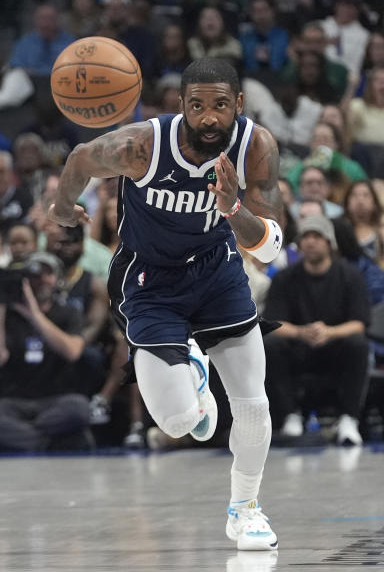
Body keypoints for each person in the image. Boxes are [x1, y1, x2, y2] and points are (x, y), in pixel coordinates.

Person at [49, 58, 285, 551]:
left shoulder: (254, 146)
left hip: (218, 273)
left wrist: (232, 209)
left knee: (252, 402)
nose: (209, 118)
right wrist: (61, 206)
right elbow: (80, 158)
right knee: (181, 425)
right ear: (181, 107)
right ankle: (194, 372)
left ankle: (245, 509)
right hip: (149, 281)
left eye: (221, 105)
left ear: (238, 105)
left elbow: (269, 248)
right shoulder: (141, 147)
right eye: (197, 106)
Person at [0, 252, 91, 451]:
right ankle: (48, 442)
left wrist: (34, 315)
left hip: (55, 401)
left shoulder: (68, 312)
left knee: (80, 408)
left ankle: (15, 439)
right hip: (13, 403)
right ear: (25, 281)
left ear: (57, 279)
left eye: (48, 275)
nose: (42, 281)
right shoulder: (7, 316)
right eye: (35, 275)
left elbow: (72, 352)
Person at [263, 215, 371, 445]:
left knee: (358, 344)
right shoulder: (284, 279)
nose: (310, 242)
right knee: (270, 344)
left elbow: (360, 322)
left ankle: (349, 419)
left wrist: (330, 332)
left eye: (317, 236)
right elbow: (273, 322)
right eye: (306, 237)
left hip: (335, 348)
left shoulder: (350, 276)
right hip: (298, 349)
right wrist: (301, 332)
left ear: (329, 243)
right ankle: (290, 415)